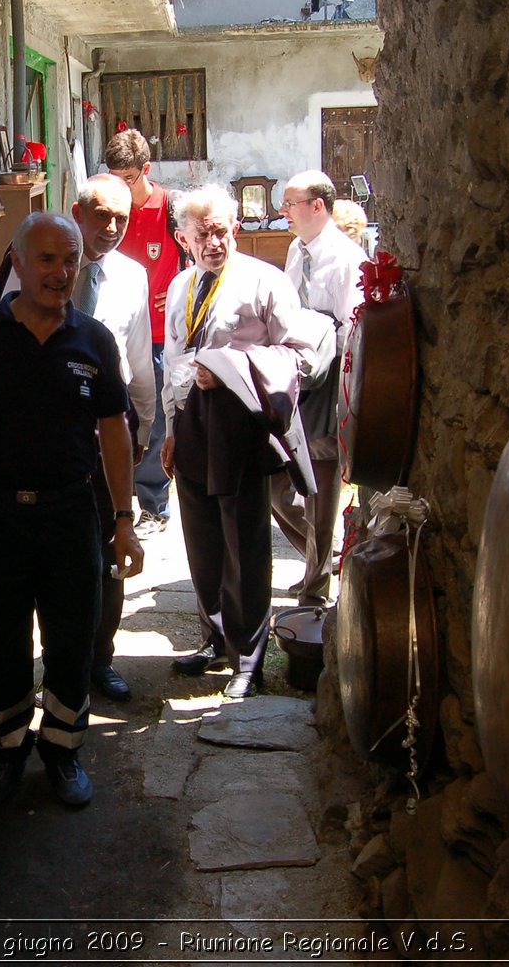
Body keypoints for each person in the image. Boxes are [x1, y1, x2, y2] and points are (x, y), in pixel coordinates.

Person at [0, 212, 145, 807]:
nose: (61, 273)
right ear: (15, 262)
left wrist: (123, 520)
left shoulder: (93, 340)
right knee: (3, 641)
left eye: (71, 261)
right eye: (46, 260)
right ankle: (7, 749)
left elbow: (114, 433)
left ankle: (62, 750)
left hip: (70, 516)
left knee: (71, 638)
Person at [161, 187, 319, 698]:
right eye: (202, 233)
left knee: (244, 543)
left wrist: (236, 371)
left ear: (236, 229)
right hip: (192, 427)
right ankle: (215, 636)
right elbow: (173, 362)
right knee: (202, 541)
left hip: (240, 431)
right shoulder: (182, 287)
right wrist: (170, 427)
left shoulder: (264, 281)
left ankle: (248, 658)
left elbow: (303, 356)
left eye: (222, 230)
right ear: (184, 237)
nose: (214, 241)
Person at [69, 173, 155, 702]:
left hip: (107, 426)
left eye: (122, 218)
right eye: (102, 215)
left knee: (110, 545)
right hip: (52, 430)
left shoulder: (131, 276)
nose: (112, 227)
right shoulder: (37, 259)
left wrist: (144, 420)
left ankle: (101, 658)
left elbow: (139, 356)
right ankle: (60, 659)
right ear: (79, 213)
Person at [272, 171, 368, 605]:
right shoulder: (296, 249)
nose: (283, 212)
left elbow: (354, 327)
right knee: (277, 489)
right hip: (294, 370)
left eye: (290, 204)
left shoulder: (346, 258)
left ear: (317, 206)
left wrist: (344, 397)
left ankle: (316, 587)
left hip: (330, 378)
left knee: (321, 485)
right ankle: (322, 559)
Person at [104, 128, 186, 539]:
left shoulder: (170, 206)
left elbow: (191, 263)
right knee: (114, 411)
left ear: (146, 170)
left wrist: (173, 296)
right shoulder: (108, 210)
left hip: (157, 332)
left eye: (129, 179)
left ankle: (154, 505)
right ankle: (116, 497)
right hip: (115, 328)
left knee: (152, 416)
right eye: (114, 177)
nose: (121, 188)